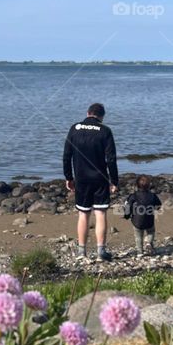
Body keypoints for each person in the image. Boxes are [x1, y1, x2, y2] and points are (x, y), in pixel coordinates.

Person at [62, 102, 119, 261]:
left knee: (83, 214)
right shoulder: (105, 131)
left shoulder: (74, 128)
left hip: (81, 178)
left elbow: (66, 156)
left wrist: (68, 177)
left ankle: (82, 252)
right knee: (100, 213)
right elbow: (111, 159)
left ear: (88, 113)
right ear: (102, 117)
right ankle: (101, 251)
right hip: (100, 178)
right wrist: (114, 181)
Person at [123, 175, 162, 256]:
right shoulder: (152, 195)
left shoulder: (133, 196)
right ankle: (148, 243)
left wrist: (127, 216)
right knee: (151, 232)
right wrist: (153, 208)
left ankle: (140, 252)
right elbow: (158, 205)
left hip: (137, 221)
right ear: (149, 186)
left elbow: (127, 207)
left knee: (138, 236)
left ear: (136, 185)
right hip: (149, 219)